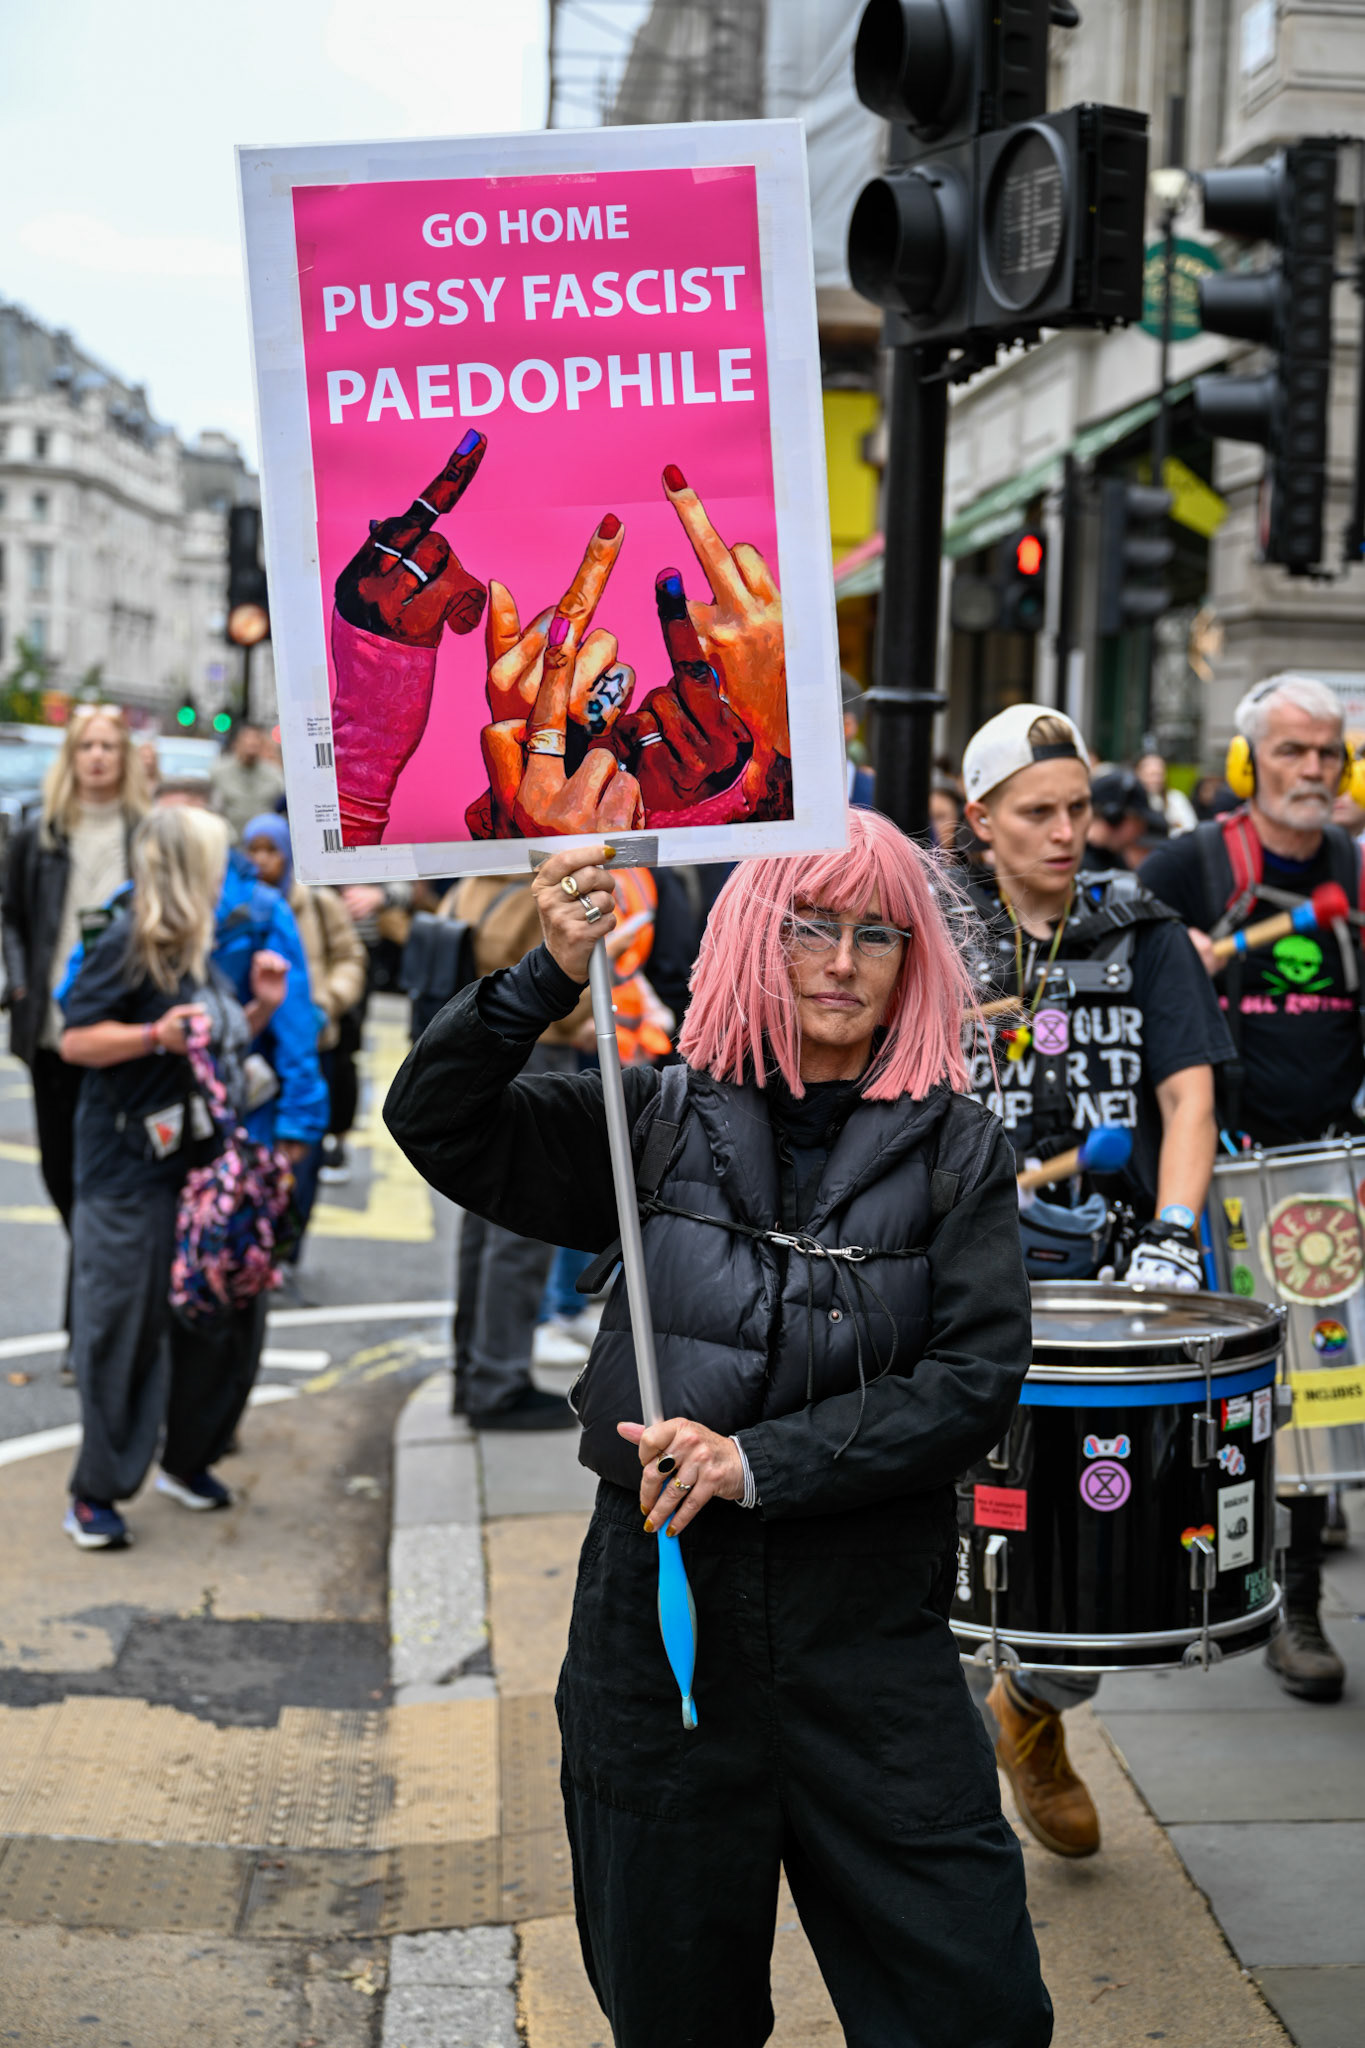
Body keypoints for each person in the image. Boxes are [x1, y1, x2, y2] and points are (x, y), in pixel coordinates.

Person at [385, 809, 1054, 2048]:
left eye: (876, 932)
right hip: (662, 1630)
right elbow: (438, 1119)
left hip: (869, 1636)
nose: (842, 960)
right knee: (674, 2005)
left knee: (976, 2007)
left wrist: (757, 1460)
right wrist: (540, 964)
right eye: (809, 926)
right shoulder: (655, 1119)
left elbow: (974, 1377)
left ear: (917, 962)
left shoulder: (958, 1150)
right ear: (756, 934)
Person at [961, 703, 1231, 1859]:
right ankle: (938, 1798)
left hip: (1116, 1291)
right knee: (946, 1541)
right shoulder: (936, 931)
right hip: (959, 1281)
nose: (1068, 830)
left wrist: (1174, 1229)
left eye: (1078, 808)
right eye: (1038, 813)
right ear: (982, 822)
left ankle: (1035, 1707)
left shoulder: (1145, 926)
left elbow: (1186, 1095)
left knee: (1102, 1555)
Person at [1140, 672, 1365, 1704]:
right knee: (1216, 1390)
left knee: (1324, 1393)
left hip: (1326, 1170)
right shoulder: (1192, 864)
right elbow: (1116, 956)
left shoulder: (1357, 869)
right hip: (1222, 1163)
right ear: (1247, 763)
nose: (1313, 770)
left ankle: (1300, 1602)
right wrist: (1164, 952)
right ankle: (1186, 1570)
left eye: (1328, 753)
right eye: (1292, 751)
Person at [58, 808, 286, 1548]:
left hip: (198, 1174)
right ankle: (96, 1491)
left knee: (220, 1317)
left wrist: (259, 1008)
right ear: (187, 868)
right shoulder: (129, 940)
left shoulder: (197, 948)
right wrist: (149, 1035)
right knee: (122, 1329)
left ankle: (186, 1461)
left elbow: (207, 1050)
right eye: (217, 861)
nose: (230, 874)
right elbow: (76, 1039)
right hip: (128, 1171)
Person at [2, 706, 150, 1354]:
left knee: (102, 1182)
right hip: (50, 1032)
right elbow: (10, 917)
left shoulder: (145, 833)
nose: (96, 757)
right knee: (63, 1179)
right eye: (85, 746)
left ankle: (85, 1326)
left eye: (107, 747)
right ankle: (91, 1309)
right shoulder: (40, 833)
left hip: (118, 1030)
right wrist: (19, 982)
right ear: (71, 756)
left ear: (123, 759)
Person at [241, 812, 366, 1233]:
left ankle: (289, 1247)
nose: (261, 860)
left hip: (314, 1044)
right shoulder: (238, 906)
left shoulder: (316, 902)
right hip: (257, 1044)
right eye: (252, 850)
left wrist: (326, 1001)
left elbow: (350, 958)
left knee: (302, 1153)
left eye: (270, 850)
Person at [210, 721, 285, 839]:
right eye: (247, 739)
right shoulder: (219, 773)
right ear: (236, 743)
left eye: (256, 740)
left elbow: (282, 810)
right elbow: (213, 809)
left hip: (263, 843)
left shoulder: (274, 775)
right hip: (230, 842)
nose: (251, 744)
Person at [1082, 767, 1167, 871]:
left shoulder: (1115, 858)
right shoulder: (1076, 864)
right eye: (1138, 821)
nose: (1142, 830)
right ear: (1114, 818)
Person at [1135, 751, 1198, 835]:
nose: (1156, 779)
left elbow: (1190, 828)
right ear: (1139, 774)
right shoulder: (1133, 802)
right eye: (1151, 774)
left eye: (1160, 774)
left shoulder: (1176, 799)